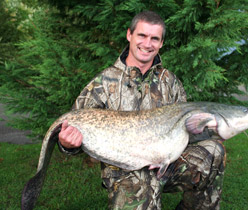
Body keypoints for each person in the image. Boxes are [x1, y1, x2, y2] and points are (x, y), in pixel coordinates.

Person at [58, 10, 225, 210]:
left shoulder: (170, 82)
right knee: (141, 194)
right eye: (142, 36)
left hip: (168, 164)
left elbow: (185, 132)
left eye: (154, 38)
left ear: (161, 43)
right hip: (125, 171)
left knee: (215, 151)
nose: (147, 44)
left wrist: (207, 129)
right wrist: (67, 144)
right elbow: (73, 125)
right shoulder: (102, 83)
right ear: (129, 35)